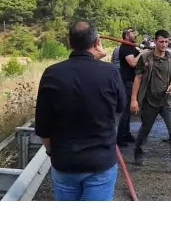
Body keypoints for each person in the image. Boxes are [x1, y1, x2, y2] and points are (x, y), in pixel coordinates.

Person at [34, 21, 125, 201]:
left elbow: (43, 127)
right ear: (97, 42)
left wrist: (53, 152)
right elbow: (121, 107)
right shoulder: (111, 72)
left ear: (69, 42)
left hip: (65, 162)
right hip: (101, 162)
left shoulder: (51, 73)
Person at [130, 29, 171, 176]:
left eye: (167, 42)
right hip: (149, 101)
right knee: (145, 129)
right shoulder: (146, 58)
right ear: (155, 41)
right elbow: (138, 78)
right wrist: (134, 99)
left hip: (166, 101)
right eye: (161, 41)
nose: (164, 44)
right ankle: (138, 151)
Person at [116, 28, 144, 146]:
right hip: (128, 82)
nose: (135, 34)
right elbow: (133, 63)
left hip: (133, 81)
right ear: (126, 35)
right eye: (132, 32)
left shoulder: (131, 47)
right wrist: (142, 54)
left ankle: (126, 134)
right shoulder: (125, 47)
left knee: (129, 111)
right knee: (126, 110)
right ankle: (120, 137)